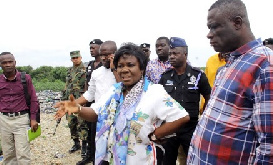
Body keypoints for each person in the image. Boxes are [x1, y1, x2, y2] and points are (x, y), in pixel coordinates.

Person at [187, 0, 273, 164]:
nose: (209, 34)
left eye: (214, 27)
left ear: (237, 23)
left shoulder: (268, 64)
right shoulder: (232, 61)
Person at [54, 43, 190, 165]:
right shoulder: (115, 91)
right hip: (113, 157)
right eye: (120, 66)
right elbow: (96, 113)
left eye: (130, 65)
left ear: (141, 68)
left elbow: (182, 117)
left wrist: (156, 134)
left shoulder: (153, 91)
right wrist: (77, 108)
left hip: (141, 159)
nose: (124, 70)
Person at [159, 37, 211, 165]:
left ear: (185, 55)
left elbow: (209, 97)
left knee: (193, 160)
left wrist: (204, 117)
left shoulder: (198, 75)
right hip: (169, 127)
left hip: (190, 128)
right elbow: (157, 98)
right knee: (167, 161)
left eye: (175, 53)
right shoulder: (165, 77)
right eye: (170, 54)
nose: (171, 56)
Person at [66, 41, 119, 164]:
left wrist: (114, 68)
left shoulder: (122, 71)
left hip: (117, 119)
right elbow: (90, 94)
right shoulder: (97, 72)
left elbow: (123, 87)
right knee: (99, 153)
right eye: (102, 55)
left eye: (108, 55)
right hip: (99, 117)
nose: (104, 58)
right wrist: (72, 104)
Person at [0, 52, 39, 164]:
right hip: (4, 120)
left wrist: (33, 119)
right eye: (4, 62)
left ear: (15, 63)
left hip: (21, 119)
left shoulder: (25, 78)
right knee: (8, 153)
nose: (8, 64)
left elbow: (33, 99)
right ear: (0, 64)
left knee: (23, 153)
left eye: (10, 62)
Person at [78, 39, 103, 165]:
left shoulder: (107, 66)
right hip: (89, 102)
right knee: (89, 131)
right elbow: (88, 86)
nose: (91, 50)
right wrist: (82, 100)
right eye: (90, 48)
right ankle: (90, 155)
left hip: (101, 105)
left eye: (94, 47)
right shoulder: (90, 65)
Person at [61, 50, 88, 155]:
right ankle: (76, 143)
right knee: (71, 122)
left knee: (82, 123)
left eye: (77, 57)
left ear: (81, 57)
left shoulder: (85, 70)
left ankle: (85, 146)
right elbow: (66, 86)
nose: (75, 59)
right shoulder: (69, 71)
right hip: (69, 100)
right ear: (71, 59)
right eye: (73, 58)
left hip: (80, 101)